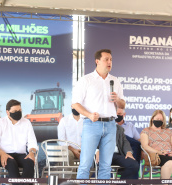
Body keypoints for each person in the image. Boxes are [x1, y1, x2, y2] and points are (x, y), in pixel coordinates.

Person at [72, 49, 125, 180]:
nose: (109, 62)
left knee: (106, 166)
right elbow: (75, 104)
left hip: (111, 125)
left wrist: (117, 99)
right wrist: (89, 115)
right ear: (97, 61)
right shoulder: (86, 80)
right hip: (92, 124)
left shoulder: (115, 81)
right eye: (106, 59)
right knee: (86, 164)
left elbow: (122, 105)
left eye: (111, 59)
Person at [0, 99, 38, 185]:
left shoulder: (26, 123)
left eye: (20, 110)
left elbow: (32, 141)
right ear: (7, 112)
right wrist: (2, 154)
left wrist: (31, 152)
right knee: (12, 163)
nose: (18, 112)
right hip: (4, 155)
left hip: (21, 155)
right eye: (15, 111)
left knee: (29, 162)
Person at [140, 110, 172, 179]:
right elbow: (144, 146)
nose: (159, 121)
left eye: (161, 120)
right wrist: (159, 152)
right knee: (170, 162)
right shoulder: (146, 131)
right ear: (152, 118)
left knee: (169, 162)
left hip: (169, 154)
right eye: (157, 119)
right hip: (155, 156)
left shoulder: (169, 131)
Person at [57, 107, 83, 178]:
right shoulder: (64, 120)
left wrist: (84, 150)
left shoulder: (86, 120)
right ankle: (72, 180)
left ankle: (83, 180)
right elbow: (61, 141)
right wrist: (74, 150)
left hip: (84, 149)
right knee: (67, 154)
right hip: (69, 150)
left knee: (92, 155)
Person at [116, 108, 141, 179]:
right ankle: (134, 177)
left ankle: (131, 171)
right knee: (124, 137)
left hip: (129, 149)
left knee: (137, 144)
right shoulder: (111, 125)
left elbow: (138, 139)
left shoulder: (130, 125)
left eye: (120, 114)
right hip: (117, 147)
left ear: (124, 114)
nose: (118, 115)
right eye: (117, 114)